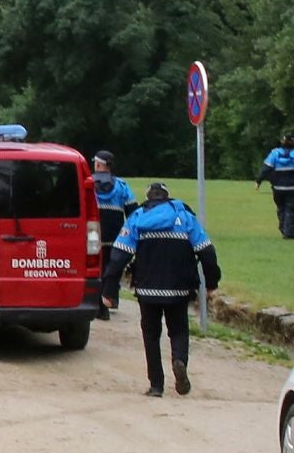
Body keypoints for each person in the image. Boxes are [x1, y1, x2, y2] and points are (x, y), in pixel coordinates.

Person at [103, 181, 221, 397]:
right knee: (178, 330)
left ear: (148, 198)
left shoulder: (138, 217)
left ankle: (156, 385)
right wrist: (211, 283)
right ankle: (179, 360)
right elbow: (207, 252)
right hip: (178, 289)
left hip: (147, 290)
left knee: (150, 334)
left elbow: (119, 256)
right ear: (168, 197)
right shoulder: (184, 217)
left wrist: (109, 291)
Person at [92, 152, 136, 321]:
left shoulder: (89, 183)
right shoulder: (122, 187)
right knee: (112, 268)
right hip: (116, 236)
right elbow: (132, 212)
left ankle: (98, 305)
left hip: (94, 234)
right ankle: (111, 298)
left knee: (97, 268)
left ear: (98, 165)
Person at [254, 134, 294, 241]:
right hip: (293, 188)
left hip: (278, 187)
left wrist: (258, 181)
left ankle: (283, 227)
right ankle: (289, 233)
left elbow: (266, 169)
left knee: (281, 208)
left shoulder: (275, 153)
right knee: (290, 210)